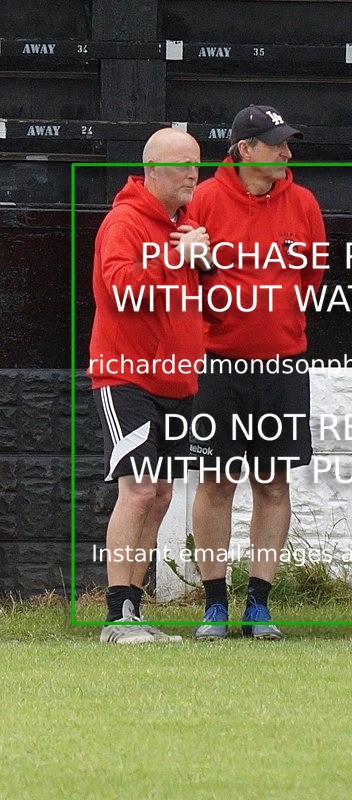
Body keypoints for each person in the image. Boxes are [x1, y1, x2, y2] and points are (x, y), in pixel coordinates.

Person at [182, 104, 326, 640]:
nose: (287, 153)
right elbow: (178, 277)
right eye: (276, 144)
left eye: (288, 142)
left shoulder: (305, 203)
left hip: (284, 365)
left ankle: (258, 604)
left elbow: (310, 277)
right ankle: (214, 604)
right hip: (214, 365)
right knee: (217, 482)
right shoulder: (201, 200)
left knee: (272, 483)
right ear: (245, 149)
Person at [89, 128, 209, 643]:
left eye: (197, 166)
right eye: (183, 166)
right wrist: (176, 258)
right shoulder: (125, 222)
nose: (192, 176)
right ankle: (116, 616)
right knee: (137, 490)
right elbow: (121, 289)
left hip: (177, 380)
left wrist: (204, 263)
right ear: (152, 169)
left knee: (160, 495)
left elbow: (193, 296)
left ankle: (133, 613)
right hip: (127, 376)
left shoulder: (183, 225)